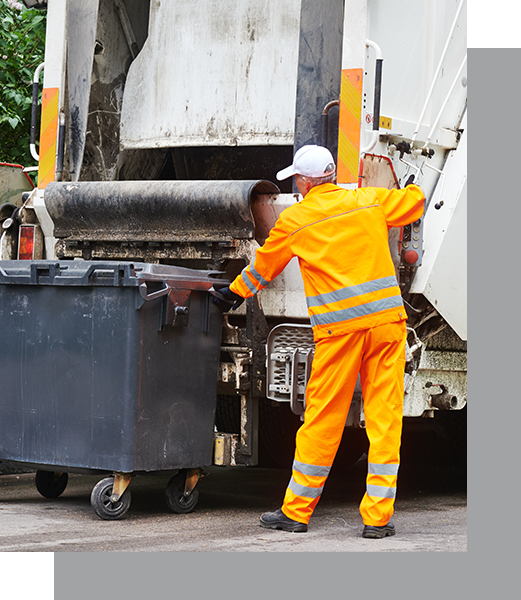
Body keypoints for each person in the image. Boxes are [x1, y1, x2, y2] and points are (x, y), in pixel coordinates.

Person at [213, 145, 425, 538]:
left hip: (339, 334)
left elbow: (263, 267)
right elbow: (413, 204)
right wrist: (413, 183)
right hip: (386, 327)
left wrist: (232, 293)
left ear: (306, 182)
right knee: (384, 420)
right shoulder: (368, 200)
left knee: (323, 420)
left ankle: (296, 513)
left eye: (296, 178)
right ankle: (377, 520)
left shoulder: (296, 219)